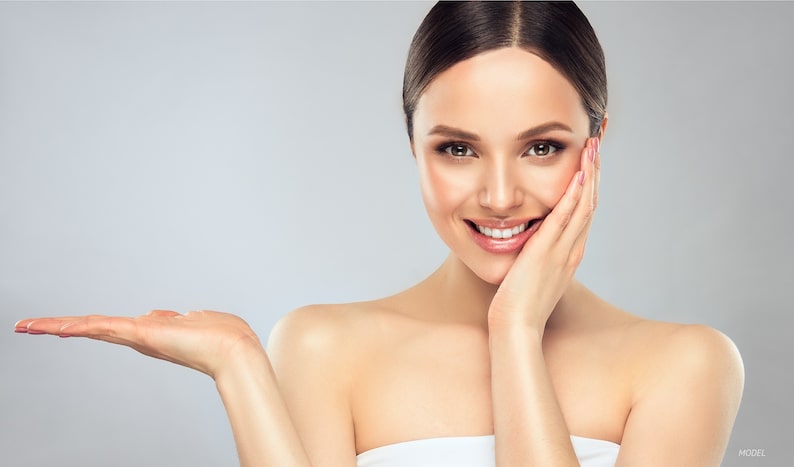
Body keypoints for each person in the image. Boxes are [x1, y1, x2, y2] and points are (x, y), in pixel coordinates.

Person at [14, 2, 744, 466]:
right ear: (412, 143)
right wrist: (240, 368)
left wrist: (515, 331)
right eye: (456, 148)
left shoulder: (685, 365)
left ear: (597, 142)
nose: (498, 194)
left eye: (542, 146)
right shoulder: (323, 346)